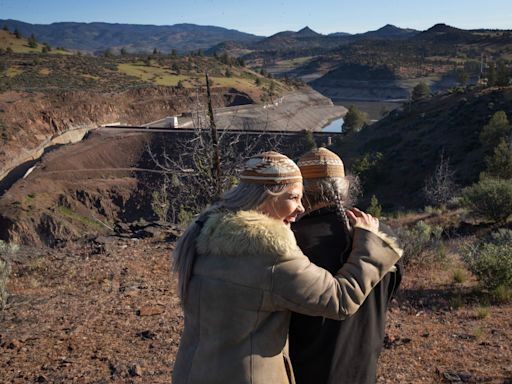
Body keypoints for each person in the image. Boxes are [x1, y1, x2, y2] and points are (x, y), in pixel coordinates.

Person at [171, 151, 403, 384]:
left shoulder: (205, 233)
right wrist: (369, 243)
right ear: (266, 197)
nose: (301, 208)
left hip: (192, 372)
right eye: (293, 197)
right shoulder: (272, 252)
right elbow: (340, 300)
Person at [289, 147, 402, 384]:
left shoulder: (292, 243)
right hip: (362, 372)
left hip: (305, 374)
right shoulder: (383, 239)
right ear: (345, 187)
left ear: (300, 193)